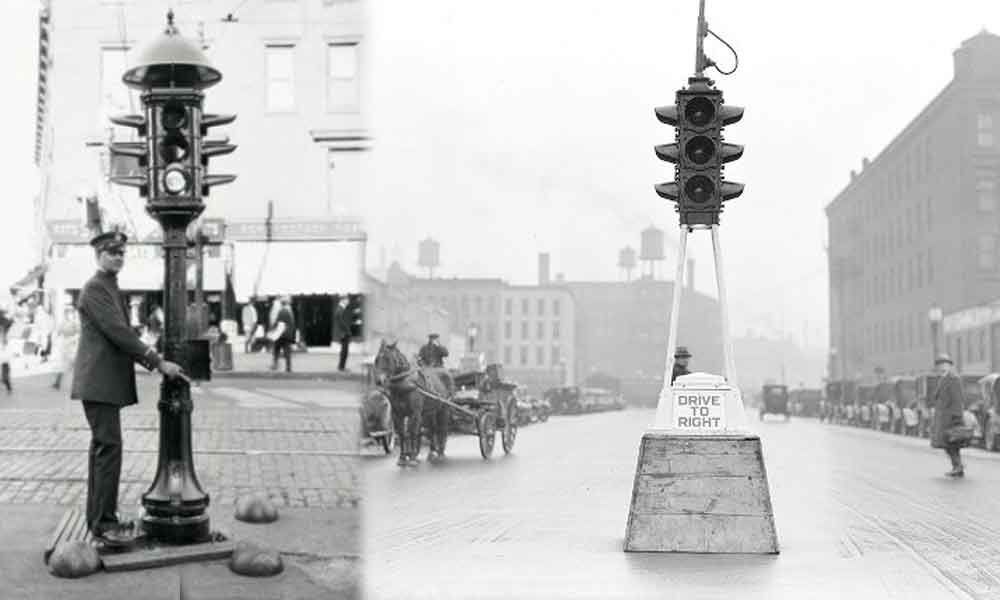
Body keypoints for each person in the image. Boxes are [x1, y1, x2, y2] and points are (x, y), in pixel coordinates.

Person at [71, 231, 186, 547]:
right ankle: (104, 523)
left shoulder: (110, 287)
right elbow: (117, 331)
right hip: (98, 382)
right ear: (99, 255)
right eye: (112, 253)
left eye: (121, 253)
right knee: (108, 449)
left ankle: (99, 519)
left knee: (104, 450)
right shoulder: (95, 288)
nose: (118, 258)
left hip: (101, 382)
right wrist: (156, 361)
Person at [931, 353, 968, 478]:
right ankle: (957, 466)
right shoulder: (943, 379)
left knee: (952, 444)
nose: (942, 367)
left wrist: (957, 417)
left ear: (950, 366)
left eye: (945, 364)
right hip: (944, 418)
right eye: (939, 365)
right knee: (949, 445)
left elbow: (958, 399)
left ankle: (958, 467)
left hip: (951, 418)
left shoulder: (953, 379)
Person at [51, 304, 81, 390]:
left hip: (73, 346)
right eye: (67, 312)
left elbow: (79, 333)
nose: (68, 314)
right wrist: (55, 340)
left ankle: (78, 385)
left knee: (74, 365)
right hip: (64, 346)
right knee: (63, 365)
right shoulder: (63, 322)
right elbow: (58, 332)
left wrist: (74, 339)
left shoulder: (75, 322)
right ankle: (57, 383)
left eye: (70, 312)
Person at [270, 296, 296, 372]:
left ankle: (275, 365)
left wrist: (273, 329)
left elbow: (278, 323)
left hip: (281, 334)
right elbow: (292, 324)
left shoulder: (282, 311)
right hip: (288, 335)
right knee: (287, 352)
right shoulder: (290, 312)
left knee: (276, 349)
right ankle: (288, 367)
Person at [332, 296, 353, 372]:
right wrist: (347, 331)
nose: (348, 302)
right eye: (347, 300)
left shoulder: (341, 308)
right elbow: (340, 322)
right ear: (343, 300)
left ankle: (342, 366)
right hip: (343, 333)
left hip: (343, 333)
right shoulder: (340, 309)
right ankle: (341, 367)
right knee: (344, 351)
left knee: (344, 351)